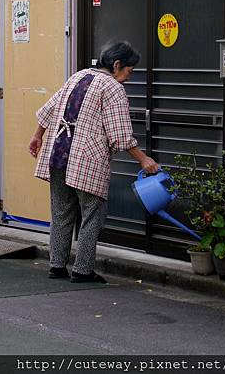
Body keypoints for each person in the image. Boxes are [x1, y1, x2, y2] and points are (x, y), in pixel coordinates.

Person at [28, 41, 159, 283]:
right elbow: (119, 133)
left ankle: (57, 265)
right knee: (93, 214)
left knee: (61, 212)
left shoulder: (78, 77)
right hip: (86, 157)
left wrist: (37, 136)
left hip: (57, 153)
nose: (129, 78)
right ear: (117, 65)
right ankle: (82, 270)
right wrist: (144, 159)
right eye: (129, 71)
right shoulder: (112, 88)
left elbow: (49, 108)